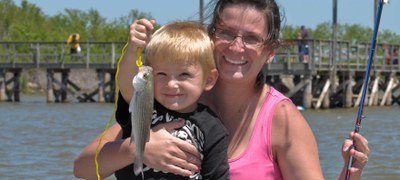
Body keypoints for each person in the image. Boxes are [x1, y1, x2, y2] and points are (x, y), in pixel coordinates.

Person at [74, 0, 370, 179]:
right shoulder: (171, 94)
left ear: (271, 51)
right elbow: (83, 169)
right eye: (226, 33)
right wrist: (137, 149)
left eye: (252, 38)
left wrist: (350, 175)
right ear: (209, 35)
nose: (236, 47)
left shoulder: (283, 120)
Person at [76, 21, 230, 179]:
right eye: (161, 74)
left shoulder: (214, 129)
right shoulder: (143, 102)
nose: (171, 84)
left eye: (184, 75)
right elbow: (128, 84)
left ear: (209, 79)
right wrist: (132, 50)